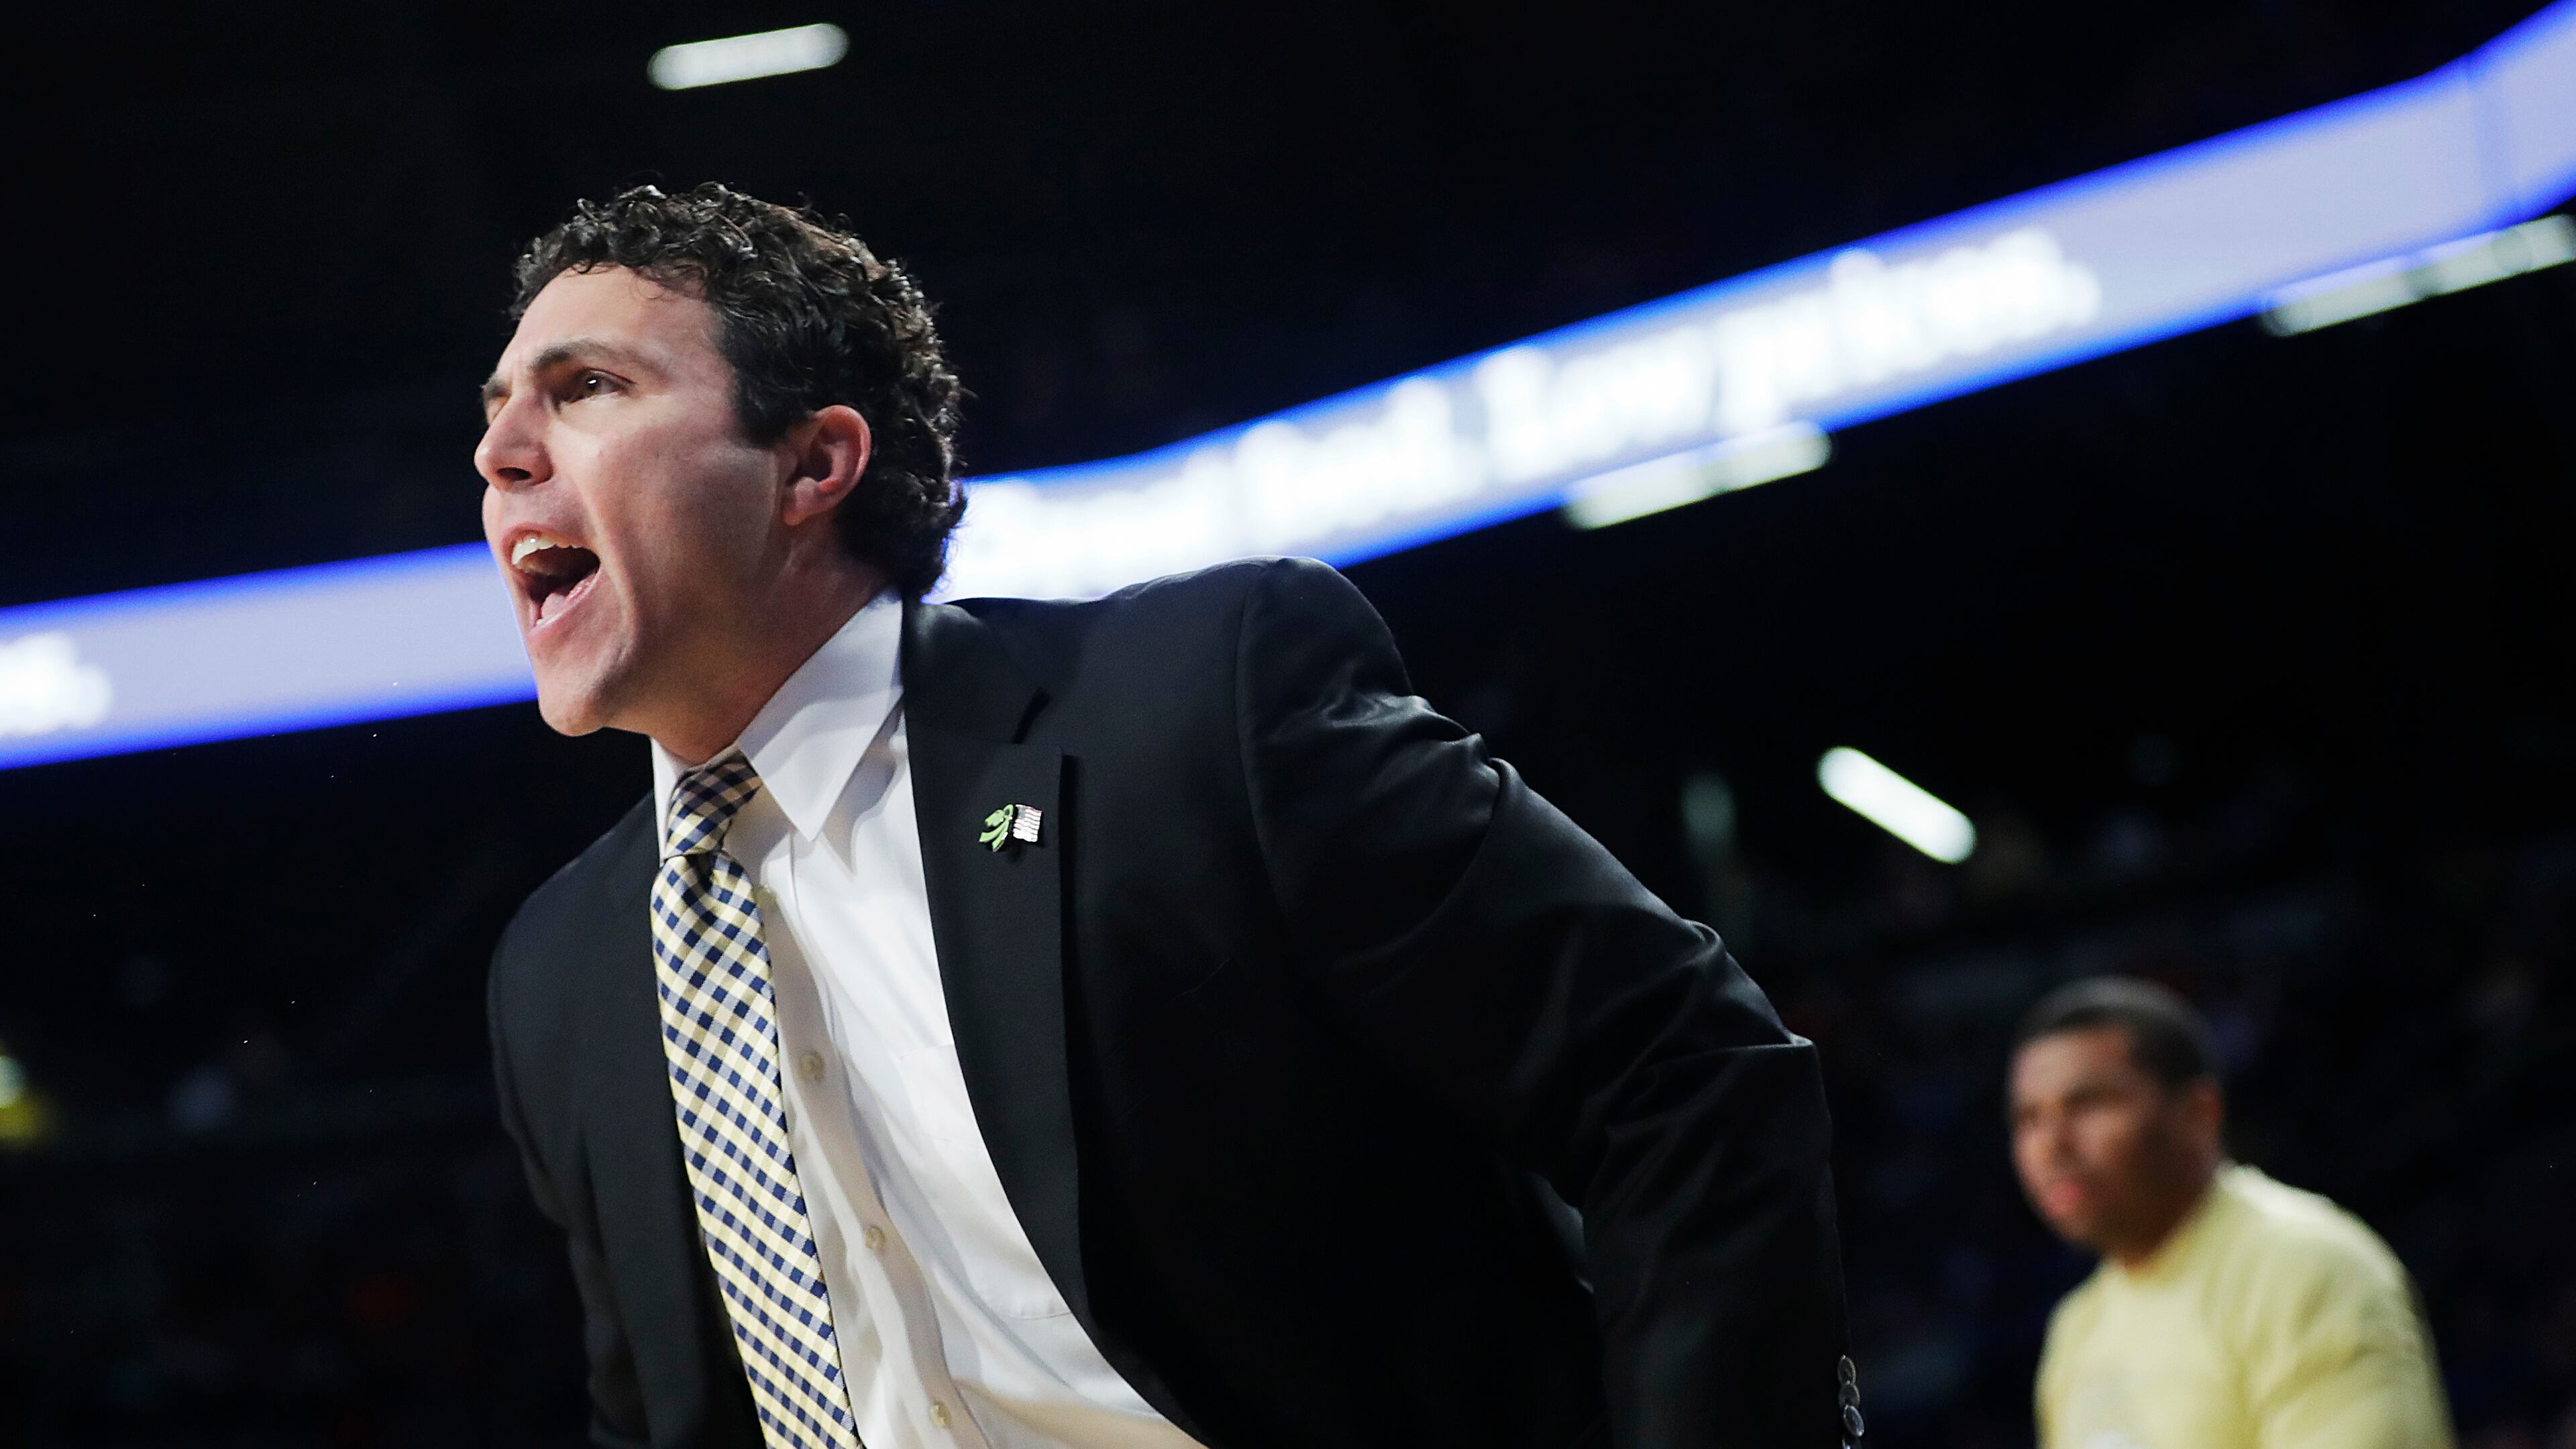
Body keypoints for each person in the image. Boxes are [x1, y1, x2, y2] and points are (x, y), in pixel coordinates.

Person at [476, 182, 1856, 1449]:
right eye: (494, 412)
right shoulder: (559, 972)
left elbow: (1679, 1079)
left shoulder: (1195, 714)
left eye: (585, 388)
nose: (500, 451)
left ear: (812, 464)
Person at [2008, 976, 2453, 1449]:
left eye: (2088, 1105)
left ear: (2199, 1112)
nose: (2051, 1146)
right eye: (2029, 1118)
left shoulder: (2304, 1267)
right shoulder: (2078, 1327)